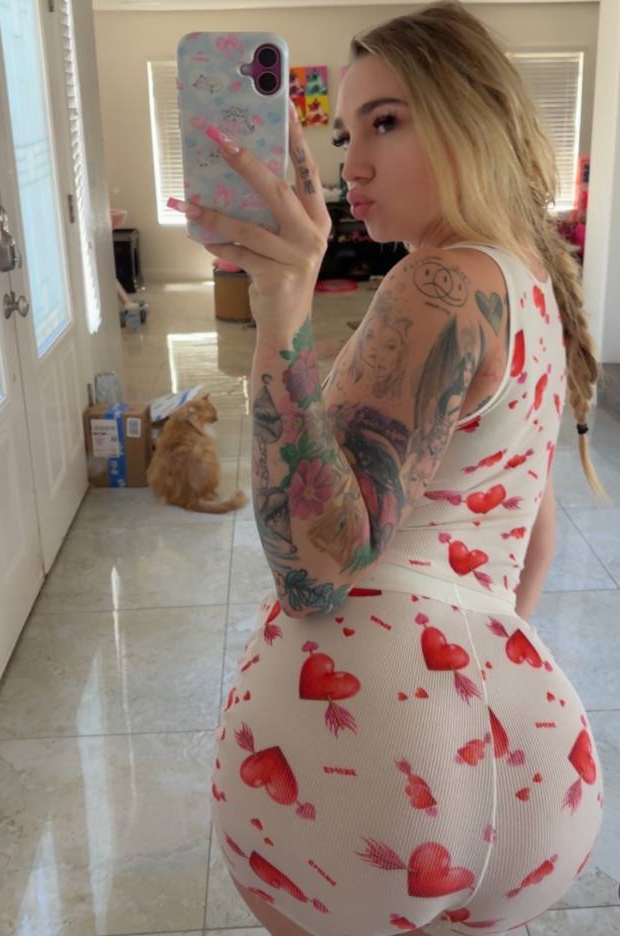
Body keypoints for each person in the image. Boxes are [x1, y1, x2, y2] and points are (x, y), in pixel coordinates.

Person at [189, 3, 606, 933]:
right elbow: (533, 540)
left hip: (373, 758)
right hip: (531, 752)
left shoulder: (437, 281)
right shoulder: (530, 285)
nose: (354, 166)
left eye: (387, 121)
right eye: (345, 136)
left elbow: (315, 568)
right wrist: (471, 692)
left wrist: (281, 307)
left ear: (474, 118)